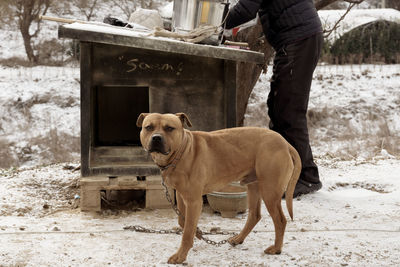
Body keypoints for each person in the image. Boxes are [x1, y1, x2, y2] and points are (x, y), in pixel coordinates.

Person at [225, 0, 323, 197]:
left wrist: (214, 22)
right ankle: (285, 170)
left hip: (299, 39)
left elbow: (245, 9)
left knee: (289, 111)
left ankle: (306, 177)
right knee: (279, 107)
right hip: (296, 39)